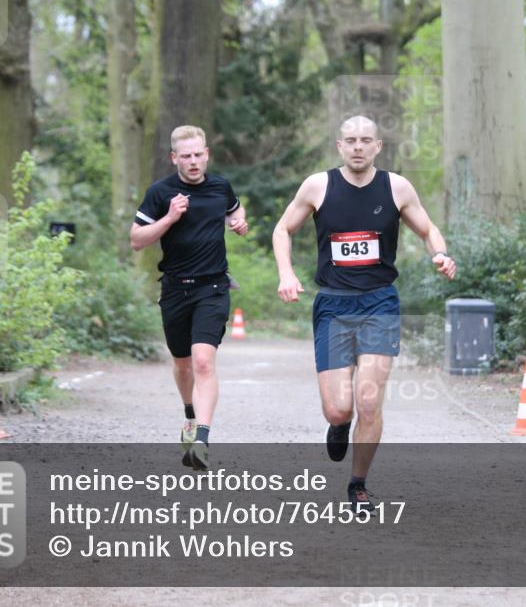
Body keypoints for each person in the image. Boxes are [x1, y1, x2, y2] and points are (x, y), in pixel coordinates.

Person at [272, 115, 456, 509]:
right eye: (351, 140)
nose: (358, 147)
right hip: (333, 305)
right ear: (340, 145)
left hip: (379, 303)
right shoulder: (318, 185)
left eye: (365, 140)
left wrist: (440, 254)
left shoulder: (397, 187)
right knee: (339, 408)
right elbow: (282, 229)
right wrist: (286, 273)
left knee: (369, 402)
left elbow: (428, 229)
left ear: (378, 146)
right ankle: (339, 425)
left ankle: (358, 484)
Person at [131, 125, 248, 470]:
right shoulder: (161, 192)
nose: (193, 161)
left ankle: (202, 441)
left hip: (213, 288)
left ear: (206, 154)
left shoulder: (220, 186)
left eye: (198, 154)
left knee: (203, 362)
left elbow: (235, 210)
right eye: (186, 156)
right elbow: (137, 240)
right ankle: (189, 415)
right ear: (174, 158)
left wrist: (238, 223)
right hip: (175, 289)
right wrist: (169, 217)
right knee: (182, 364)